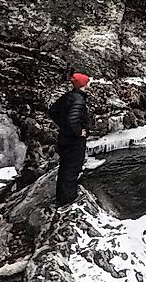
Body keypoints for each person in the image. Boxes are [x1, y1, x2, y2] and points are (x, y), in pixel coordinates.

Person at [50, 71, 91, 207]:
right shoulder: (79, 100)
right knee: (73, 168)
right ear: (83, 85)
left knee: (65, 167)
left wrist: (64, 126)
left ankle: (61, 197)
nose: (90, 84)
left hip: (65, 137)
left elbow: (53, 111)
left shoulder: (68, 96)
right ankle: (68, 199)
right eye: (88, 82)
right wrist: (78, 132)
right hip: (75, 140)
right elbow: (73, 119)